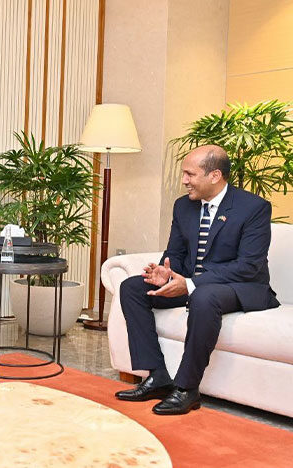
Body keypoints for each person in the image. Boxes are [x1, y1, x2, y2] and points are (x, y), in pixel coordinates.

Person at [115, 145, 280, 415]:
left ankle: (187, 388)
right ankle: (157, 376)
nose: (184, 180)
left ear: (215, 175)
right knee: (132, 287)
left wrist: (191, 284)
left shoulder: (253, 208)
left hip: (241, 286)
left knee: (204, 296)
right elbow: (176, 254)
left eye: (190, 174)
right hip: (195, 282)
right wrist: (166, 272)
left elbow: (248, 266)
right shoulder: (184, 206)